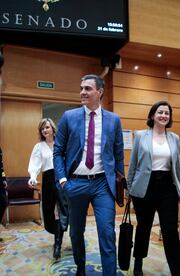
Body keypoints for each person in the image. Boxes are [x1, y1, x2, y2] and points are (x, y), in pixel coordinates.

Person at [53, 74, 124, 276]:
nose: (82, 92)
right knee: (76, 233)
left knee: (107, 232)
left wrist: (119, 181)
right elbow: (58, 151)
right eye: (81, 88)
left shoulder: (113, 120)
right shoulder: (69, 117)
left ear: (100, 92)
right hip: (75, 183)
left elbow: (118, 153)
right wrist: (63, 180)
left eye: (88, 88)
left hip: (103, 184)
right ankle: (81, 268)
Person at [127, 100, 180, 276]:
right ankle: (138, 262)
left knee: (170, 230)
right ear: (152, 115)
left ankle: (176, 270)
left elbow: (177, 167)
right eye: (160, 112)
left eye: (167, 113)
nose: (163, 116)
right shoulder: (140, 136)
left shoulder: (174, 138)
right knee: (143, 227)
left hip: (168, 187)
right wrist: (130, 188)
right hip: (144, 187)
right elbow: (133, 164)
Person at [27, 118, 69, 259]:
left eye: (47, 127)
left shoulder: (62, 143)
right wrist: (33, 177)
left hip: (62, 178)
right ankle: (57, 239)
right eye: (42, 129)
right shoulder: (39, 147)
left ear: (53, 128)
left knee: (62, 211)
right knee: (51, 211)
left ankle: (58, 244)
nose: (45, 130)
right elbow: (35, 164)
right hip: (48, 179)